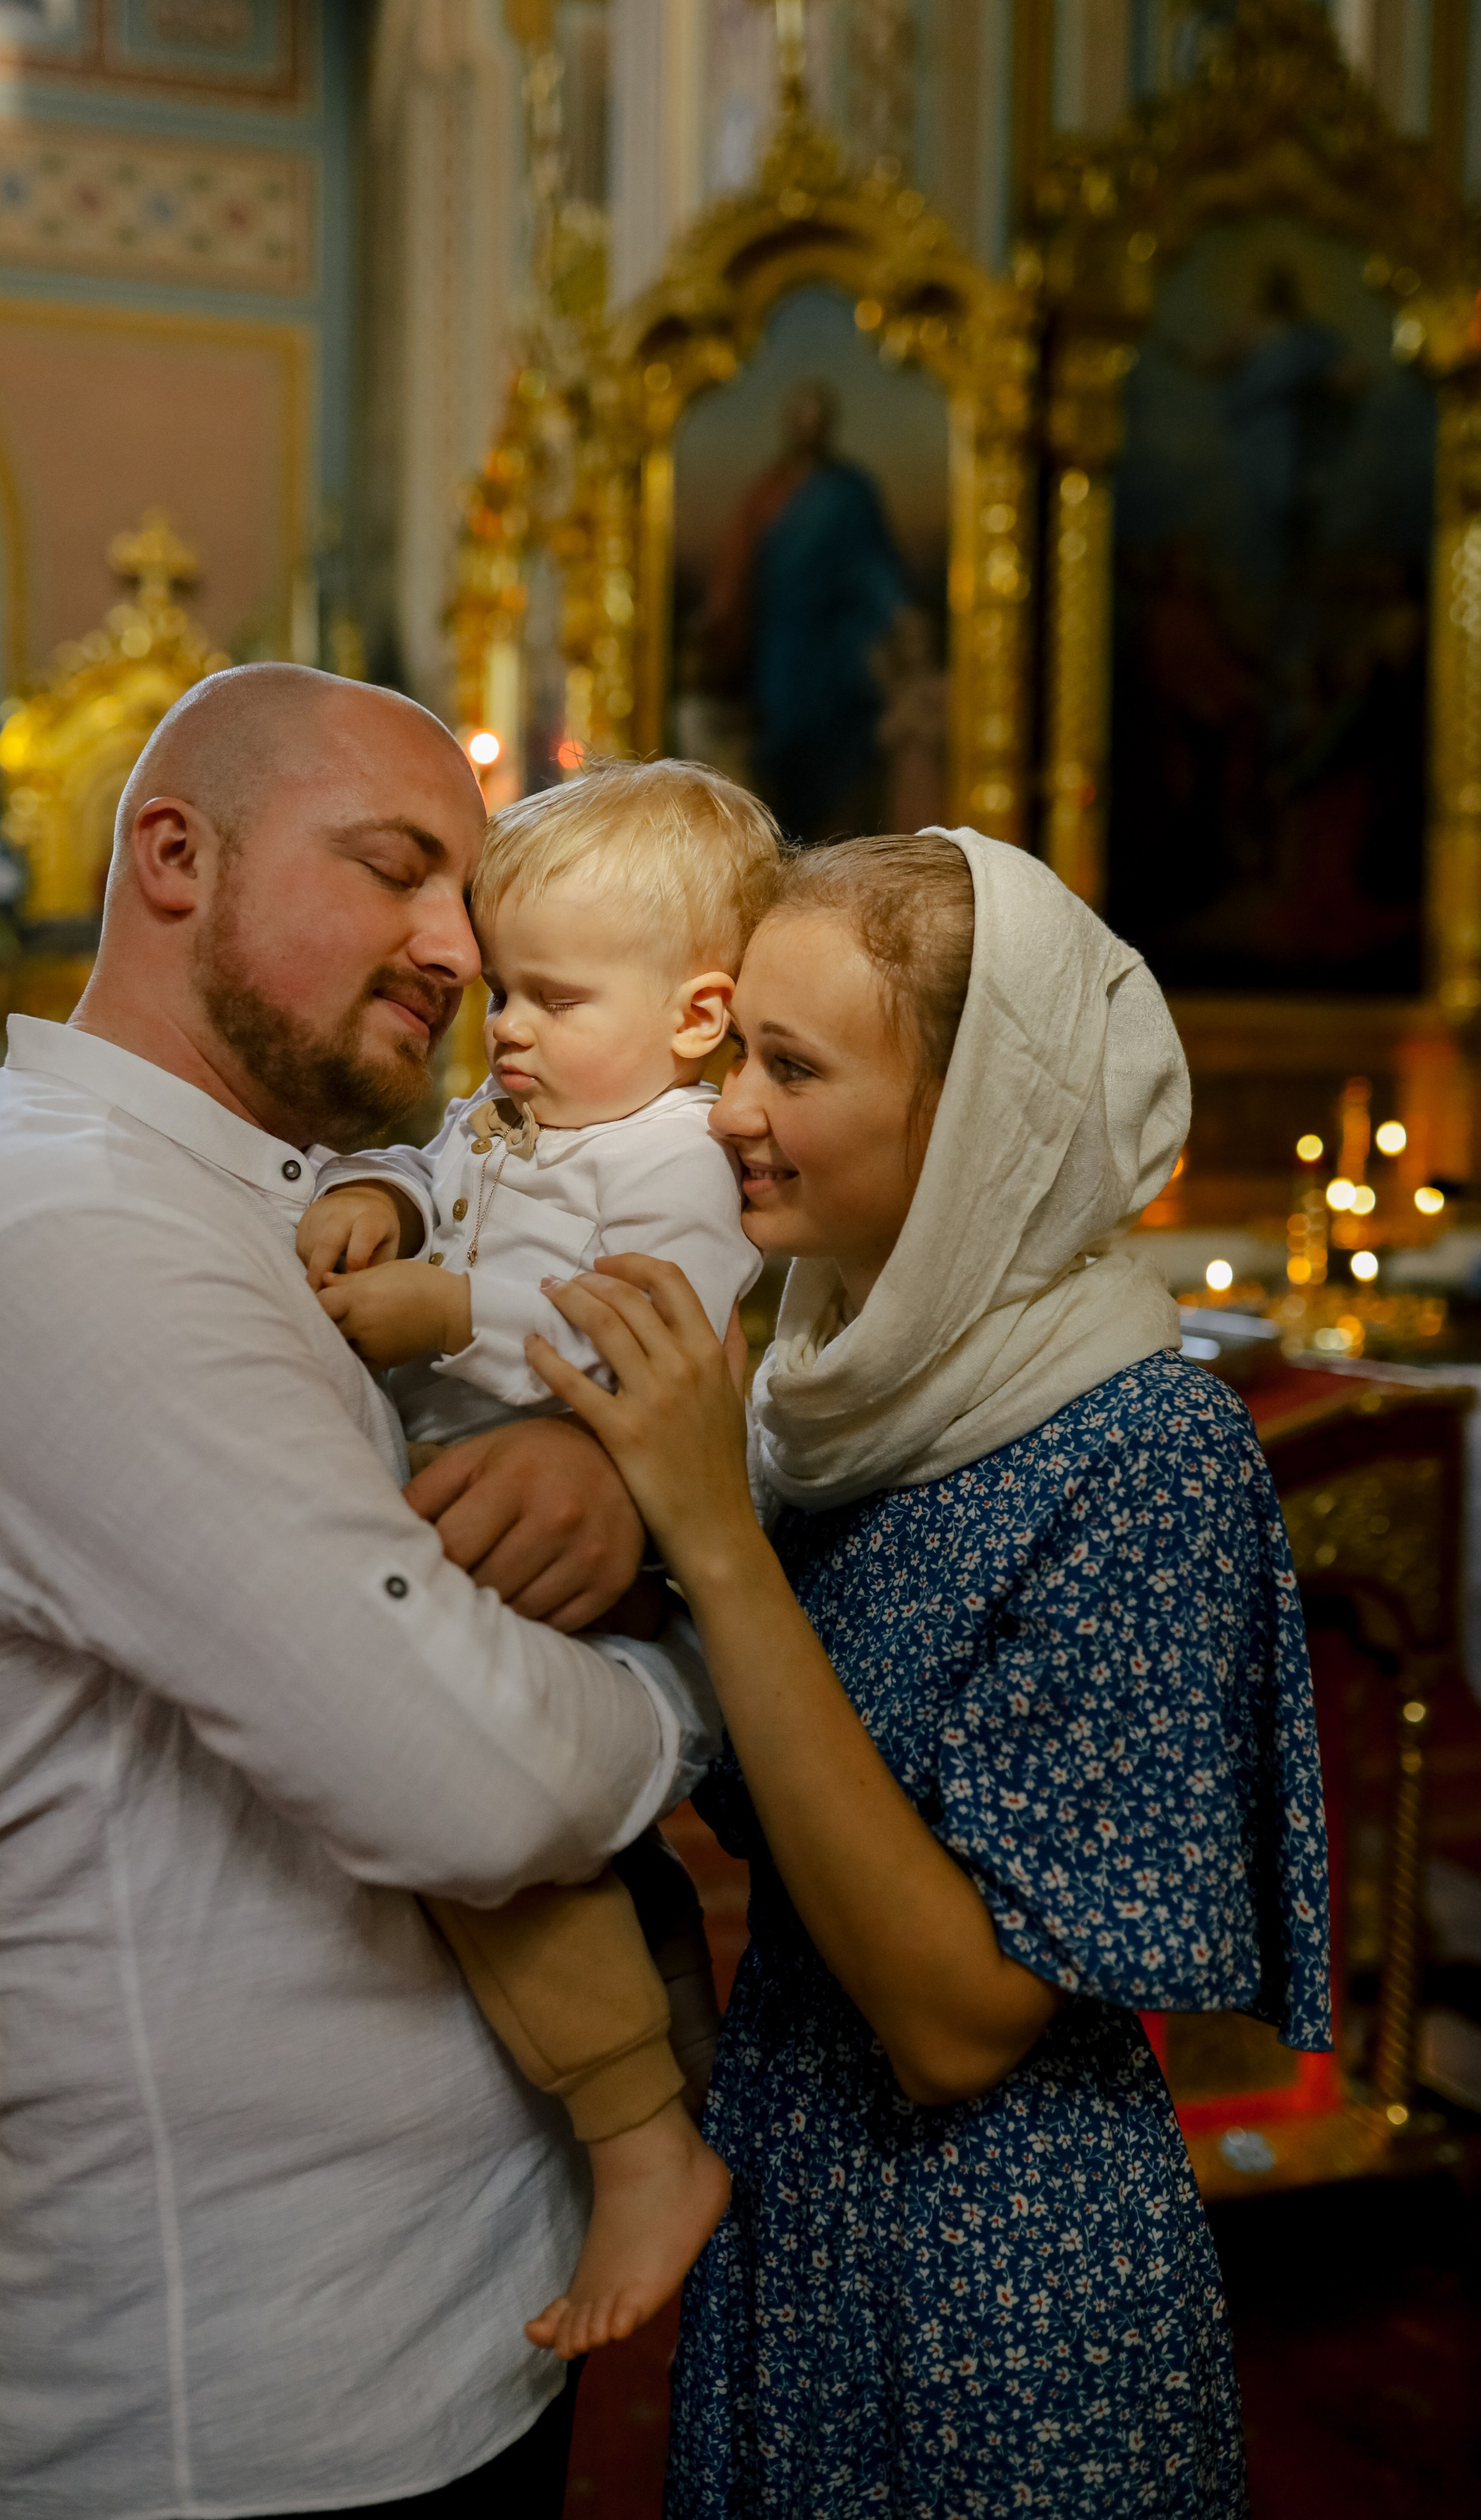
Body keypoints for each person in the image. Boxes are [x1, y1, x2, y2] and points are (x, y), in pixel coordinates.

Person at [0, 664, 722, 2520]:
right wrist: (705, 1664)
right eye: (395, 867)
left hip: (452, 2301)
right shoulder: (57, 1225)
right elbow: (462, 1772)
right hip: (244, 2385)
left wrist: (590, 1475)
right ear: (174, 851)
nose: (454, 946)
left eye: (466, 898)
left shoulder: (285, 1175)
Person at [523, 830, 1331, 2517]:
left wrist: (712, 1544)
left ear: (977, 1121)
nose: (727, 1105)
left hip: (1003, 2271)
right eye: (734, 1045)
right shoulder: (825, 1398)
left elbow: (959, 2026)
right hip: (789, 2193)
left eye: (790, 1066)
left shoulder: (1146, 1454)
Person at [305, 759, 781, 2360]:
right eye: (500, 989)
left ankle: (641, 2131)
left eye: (551, 996)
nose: (502, 1027)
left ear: (698, 1013)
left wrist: (454, 1316)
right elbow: (433, 1163)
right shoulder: (512, 1115)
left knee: (480, 1834)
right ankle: (667, 2050)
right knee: (576, 1862)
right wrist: (379, 1192)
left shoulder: (680, 1159)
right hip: (467, 1515)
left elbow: (644, 1338)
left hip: (574, 1543)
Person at [698, 379, 910, 841]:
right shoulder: (768, 492)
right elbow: (738, 566)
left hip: (836, 644)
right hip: (783, 643)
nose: (808, 429)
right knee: (786, 748)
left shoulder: (850, 492)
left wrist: (898, 620)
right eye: (801, 419)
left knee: (838, 747)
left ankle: (832, 847)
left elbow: (874, 567)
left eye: (817, 419)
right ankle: (788, 844)